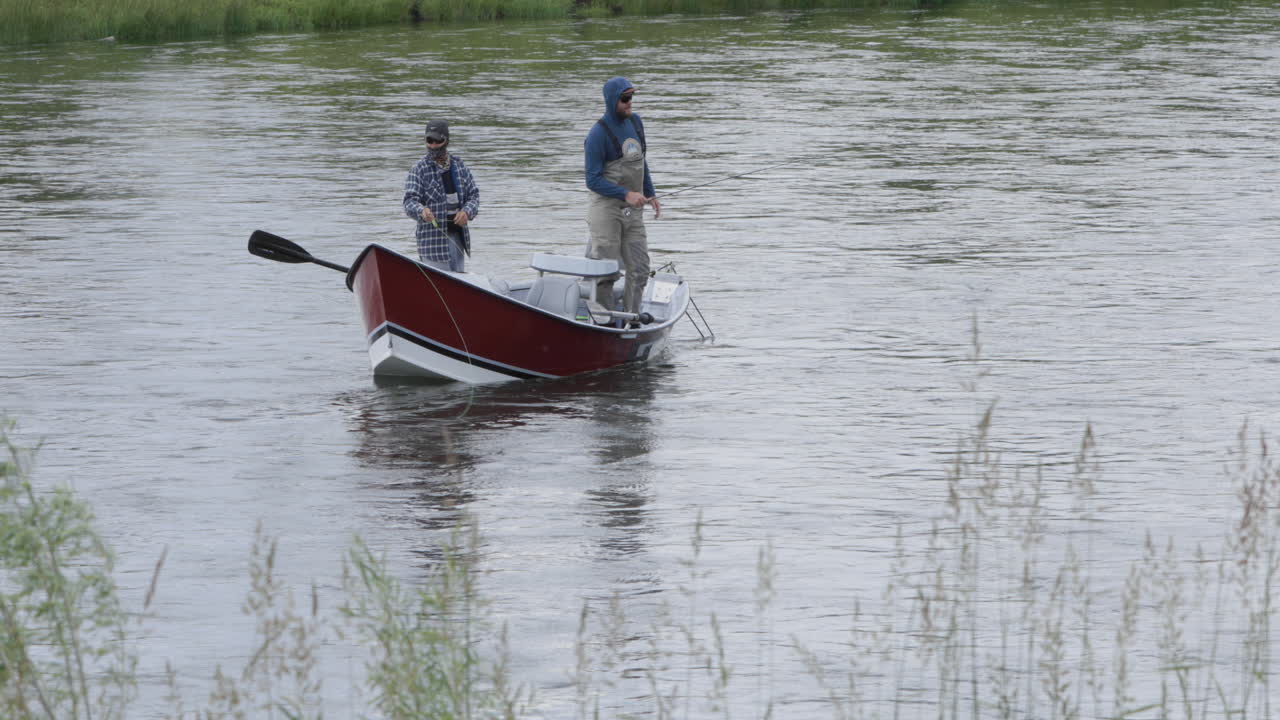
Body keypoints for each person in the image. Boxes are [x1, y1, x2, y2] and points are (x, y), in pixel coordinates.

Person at [584, 77, 661, 319]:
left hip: (633, 210)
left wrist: (650, 193)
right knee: (606, 272)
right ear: (612, 100)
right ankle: (603, 322)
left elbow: (641, 162)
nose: (630, 103)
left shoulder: (636, 123)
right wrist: (626, 194)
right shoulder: (597, 134)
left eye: (632, 98)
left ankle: (631, 319)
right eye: (625, 99)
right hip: (606, 211)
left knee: (639, 269)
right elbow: (592, 180)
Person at [403, 119, 479, 272]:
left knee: (458, 285)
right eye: (429, 140)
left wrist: (467, 212)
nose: (433, 145)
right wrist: (421, 211)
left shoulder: (460, 166)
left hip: (458, 238)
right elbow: (409, 201)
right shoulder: (418, 169)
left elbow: (474, 196)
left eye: (437, 140)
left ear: (446, 141)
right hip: (432, 245)